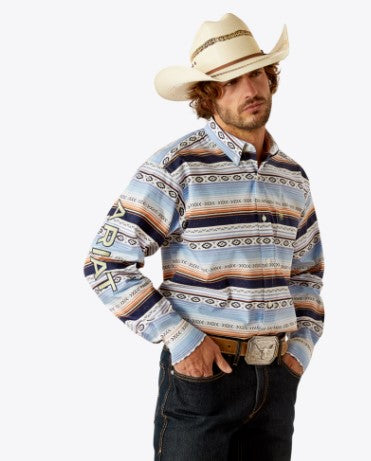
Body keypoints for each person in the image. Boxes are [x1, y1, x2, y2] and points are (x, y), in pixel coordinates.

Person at [83, 12, 325, 461]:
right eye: (230, 81)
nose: (250, 89)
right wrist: (181, 339)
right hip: (203, 380)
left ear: (271, 77)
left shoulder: (292, 176)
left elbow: (307, 273)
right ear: (207, 95)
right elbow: (106, 264)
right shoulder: (178, 167)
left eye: (256, 73)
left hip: (277, 385)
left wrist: (300, 350)